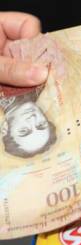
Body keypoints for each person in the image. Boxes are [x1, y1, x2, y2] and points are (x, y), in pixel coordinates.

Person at [0, 12, 56, 158]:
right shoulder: (43, 85)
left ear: (5, 129)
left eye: (24, 131)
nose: (32, 119)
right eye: (41, 125)